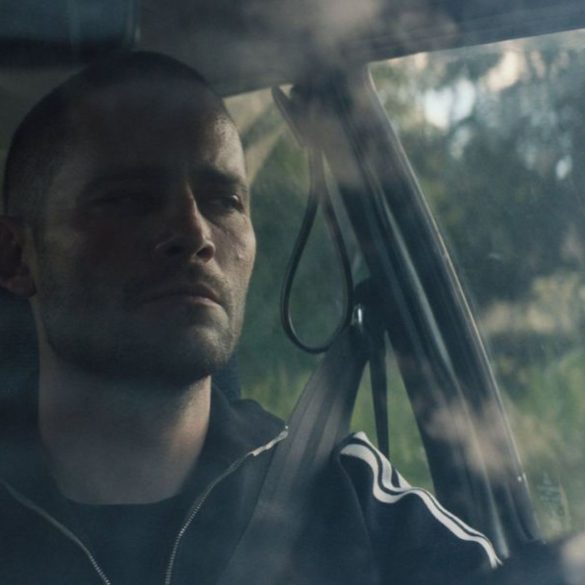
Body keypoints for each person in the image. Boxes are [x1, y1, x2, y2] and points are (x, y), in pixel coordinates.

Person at [0, 51, 498, 584]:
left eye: (224, 200)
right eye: (128, 199)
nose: (194, 232)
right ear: (15, 257)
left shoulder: (351, 501)